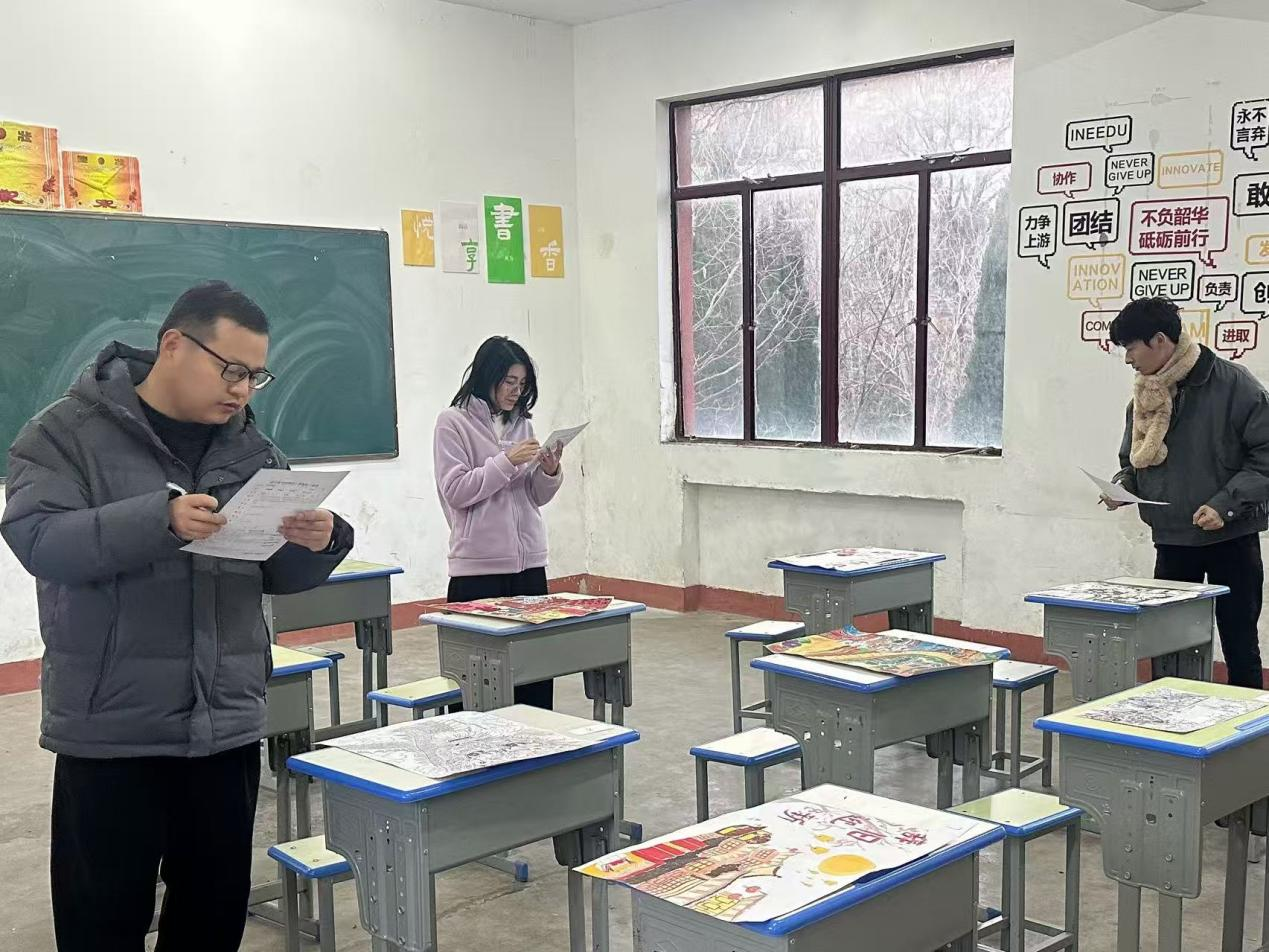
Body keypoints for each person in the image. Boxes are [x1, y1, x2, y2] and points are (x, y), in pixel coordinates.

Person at [1, 281, 355, 952]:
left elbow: (278, 577)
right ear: (173, 345)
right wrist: (157, 520)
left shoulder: (251, 448)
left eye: (255, 376)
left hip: (223, 723)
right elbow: (38, 540)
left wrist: (322, 541)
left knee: (212, 919)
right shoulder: (64, 434)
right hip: (112, 728)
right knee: (101, 921)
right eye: (232, 370)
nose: (243, 390)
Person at [1102, 296, 1269, 688]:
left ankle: (1250, 723)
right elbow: (1133, 461)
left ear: (1159, 340)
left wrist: (1225, 505)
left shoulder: (1234, 385)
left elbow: (1265, 454)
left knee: (1240, 643)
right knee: (1168, 645)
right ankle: (1169, 721)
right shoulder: (1145, 395)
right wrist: (1123, 487)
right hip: (1173, 540)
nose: (1128, 359)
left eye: (1131, 347)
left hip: (1232, 538)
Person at [433, 336, 564, 710]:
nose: (516, 392)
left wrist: (549, 471)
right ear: (487, 376)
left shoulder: (522, 425)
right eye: (509, 382)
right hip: (479, 570)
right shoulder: (452, 423)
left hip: (529, 566)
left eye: (522, 384)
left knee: (534, 678)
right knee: (477, 686)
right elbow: (456, 491)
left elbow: (532, 496)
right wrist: (506, 462)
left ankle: (536, 743)